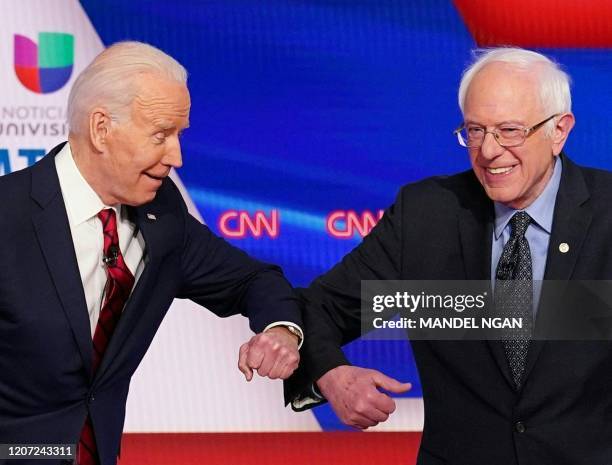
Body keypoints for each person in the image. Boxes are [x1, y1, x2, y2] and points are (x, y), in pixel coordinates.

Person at [287, 47, 612, 465]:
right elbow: (320, 309)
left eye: (509, 130)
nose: (490, 151)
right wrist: (332, 375)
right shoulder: (426, 215)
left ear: (559, 131)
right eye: (475, 131)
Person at [0, 41, 303, 465]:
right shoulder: (8, 215)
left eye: (179, 135)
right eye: (161, 134)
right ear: (102, 128)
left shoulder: (163, 216)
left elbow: (252, 279)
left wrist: (280, 330)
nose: (176, 156)